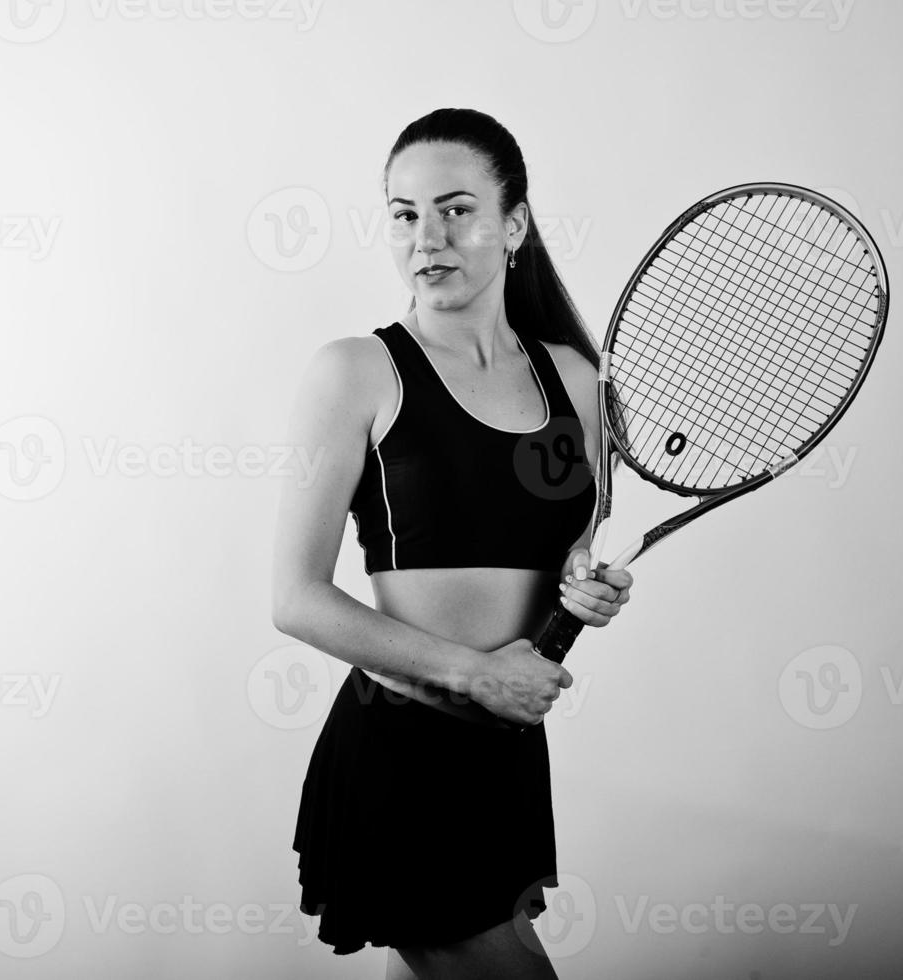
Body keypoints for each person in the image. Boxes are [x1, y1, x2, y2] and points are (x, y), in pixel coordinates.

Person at [270, 107, 634, 979]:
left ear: (513, 225)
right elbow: (295, 599)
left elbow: (570, 546)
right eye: (404, 213)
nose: (427, 236)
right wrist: (476, 672)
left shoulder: (572, 379)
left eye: (456, 208)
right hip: (398, 754)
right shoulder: (355, 372)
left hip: (502, 757)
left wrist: (584, 586)